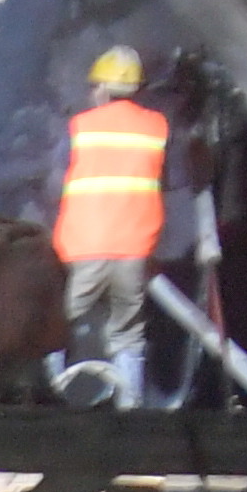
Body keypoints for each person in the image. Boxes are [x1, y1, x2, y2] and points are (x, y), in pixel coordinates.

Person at [51, 45, 170, 401]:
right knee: (128, 334)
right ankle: (129, 407)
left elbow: (58, 173)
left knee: (55, 327)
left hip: (85, 244)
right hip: (133, 247)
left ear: (102, 88)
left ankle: (48, 399)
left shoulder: (81, 126)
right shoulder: (157, 127)